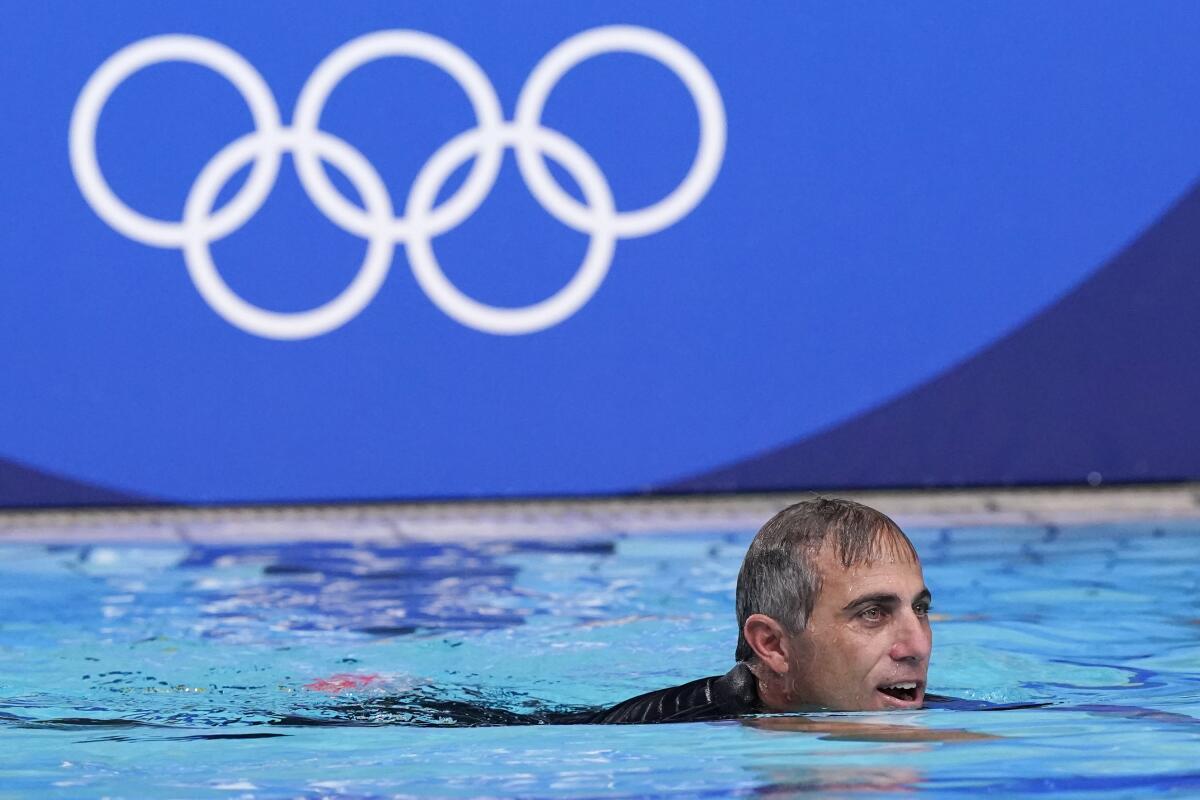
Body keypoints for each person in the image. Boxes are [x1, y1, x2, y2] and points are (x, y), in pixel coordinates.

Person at [576, 497, 933, 723]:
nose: (917, 646)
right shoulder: (658, 734)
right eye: (872, 613)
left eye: (919, 609)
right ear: (773, 645)